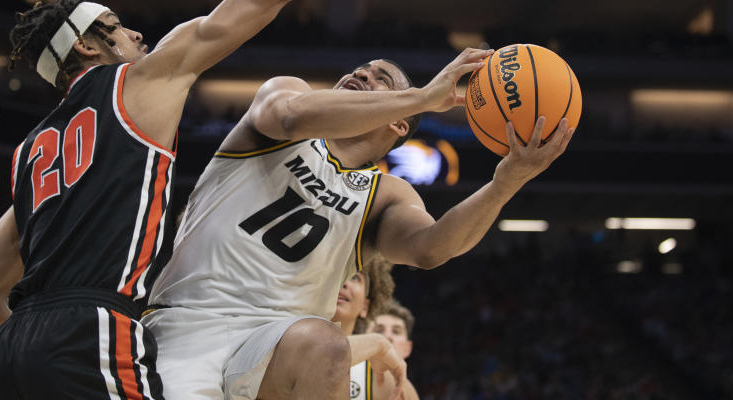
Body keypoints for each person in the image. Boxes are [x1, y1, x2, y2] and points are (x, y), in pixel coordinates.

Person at [0, 0, 436, 400]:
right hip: (95, 331)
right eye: (117, 25)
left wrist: (41, 363)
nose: (136, 33)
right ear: (85, 45)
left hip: (15, 354)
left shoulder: (31, 156)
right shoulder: (142, 83)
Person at [143, 52, 575, 394]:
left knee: (326, 344)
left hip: (279, 343)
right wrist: (425, 95)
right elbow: (292, 114)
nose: (361, 75)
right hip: (190, 320)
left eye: (379, 79)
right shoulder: (285, 100)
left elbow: (432, 249)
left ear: (397, 122)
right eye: (360, 70)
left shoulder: (386, 193)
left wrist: (506, 182)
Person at [331, 260, 419, 400]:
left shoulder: (387, 383)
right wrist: (378, 343)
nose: (344, 283)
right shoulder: (288, 342)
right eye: (336, 274)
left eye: (355, 277)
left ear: (365, 307)